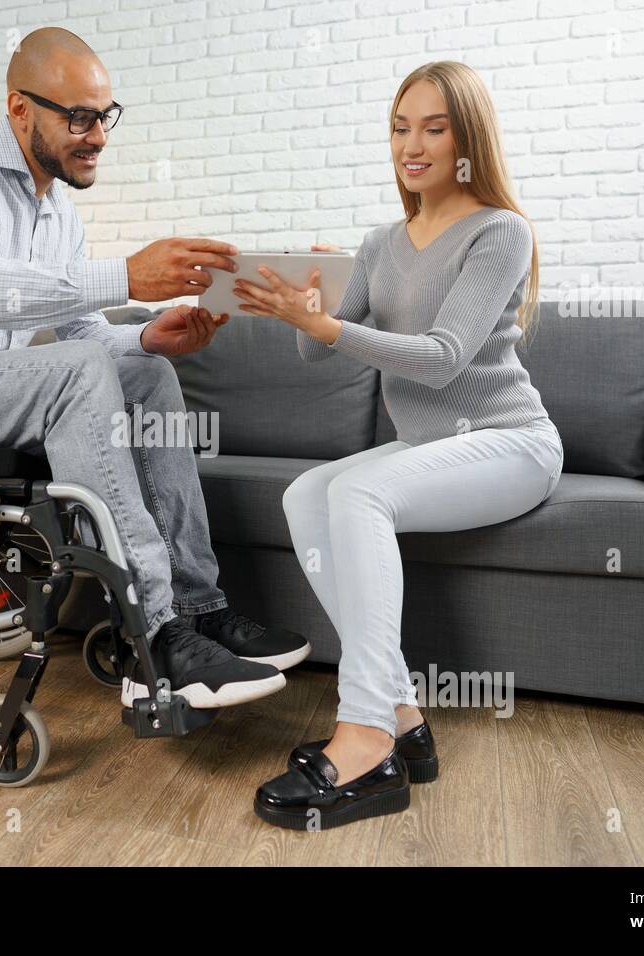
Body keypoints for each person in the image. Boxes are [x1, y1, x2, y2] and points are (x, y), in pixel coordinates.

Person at [0, 27, 310, 711]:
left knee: (145, 376)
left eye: (105, 116)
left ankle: (198, 609)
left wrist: (151, 338)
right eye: (80, 116)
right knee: (74, 371)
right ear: (19, 109)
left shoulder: (57, 208)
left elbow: (84, 333)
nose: (98, 135)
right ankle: (151, 636)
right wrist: (125, 275)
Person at [232, 61, 564, 830]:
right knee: (304, 492)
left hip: (509, 441)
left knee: (358, 490)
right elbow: (321, 354)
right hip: (427, 442)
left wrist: (329, 324)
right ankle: (404, 712)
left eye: (434, 128)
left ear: (468, 141)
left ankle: (366, 735)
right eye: (399, 126)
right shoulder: (381, 241)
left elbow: (446, 355)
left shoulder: (500, 231)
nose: (411, 145)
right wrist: (306, 310)